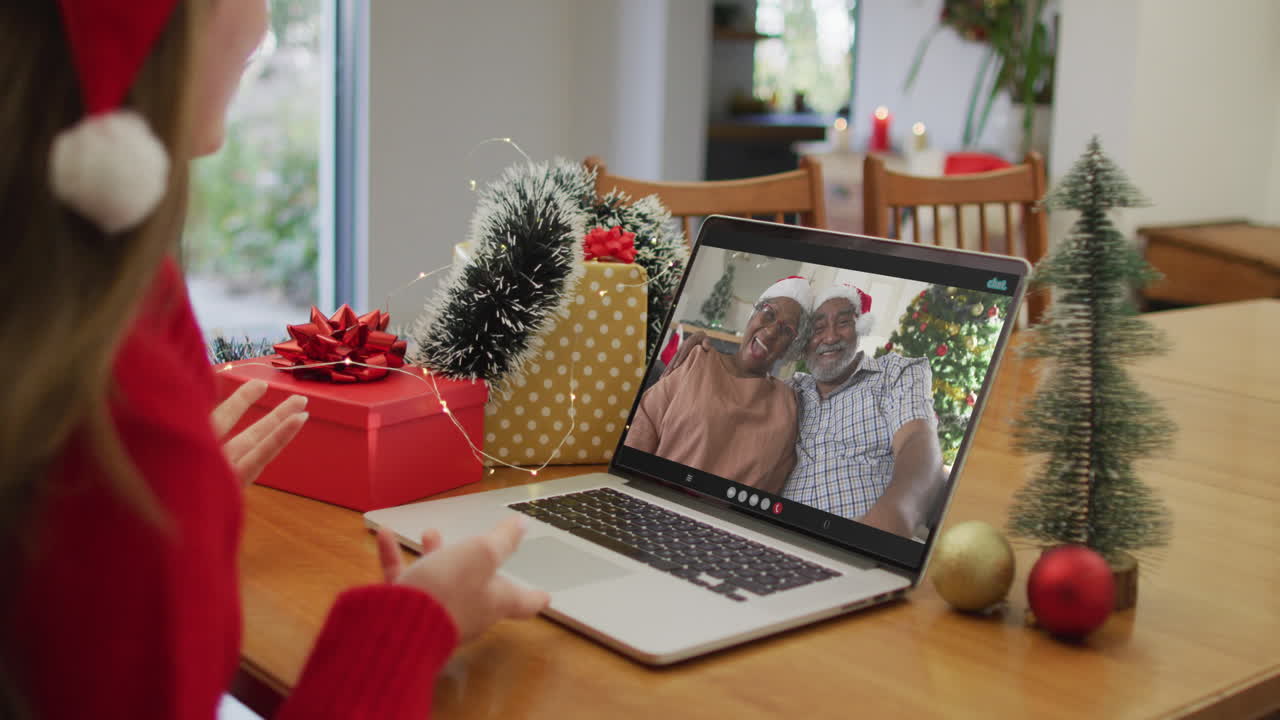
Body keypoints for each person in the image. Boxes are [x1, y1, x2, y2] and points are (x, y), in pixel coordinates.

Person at [0, 2, 547, 718]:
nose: (264, 23)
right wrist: (415, 621)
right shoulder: (120, 413)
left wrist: (184, 512)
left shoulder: (86, 329)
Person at [670, 284, 945, 537]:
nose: (830, 336)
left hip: (862, 539)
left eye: (843, 323)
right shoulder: (788, 392)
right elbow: (729, 402)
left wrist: (896, 515)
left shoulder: (894, 373)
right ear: (802, 343)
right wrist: (708, 357)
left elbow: (917, 441)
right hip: (775, 538)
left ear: (859, 328)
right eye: (817, 328)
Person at [625, 277, 812, 494]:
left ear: (789, 347)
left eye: (786, 330)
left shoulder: (788, 406)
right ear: (753, 315)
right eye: (768, 314)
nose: (770, 332)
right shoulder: (697, 359)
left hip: (719, 514)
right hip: (649, 497)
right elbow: (639, 435)